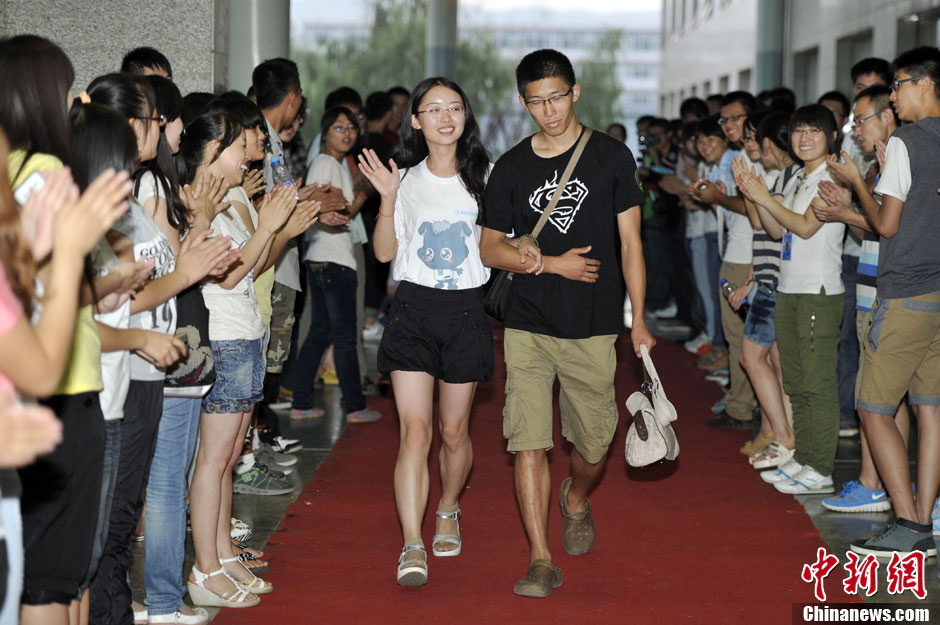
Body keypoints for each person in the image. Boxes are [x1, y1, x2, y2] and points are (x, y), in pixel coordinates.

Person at [479, 48, 653, 598]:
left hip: (595, 325)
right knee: (528, 442)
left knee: (594, 446)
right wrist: (552, 263)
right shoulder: (509, 167)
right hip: (527, 325)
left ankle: (575, 498)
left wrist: (640, 320)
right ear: (523, 102)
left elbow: (631, 243)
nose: (548, 111)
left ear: (575, 92)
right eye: (536, 102)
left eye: (557, 97)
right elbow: (489, 251)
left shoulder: (610, 156)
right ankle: (539, 557)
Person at [358, 77, 493, 586]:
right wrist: (388, 199)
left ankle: (449, 507)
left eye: (454, 107)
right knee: (416, 431)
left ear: (465, 116)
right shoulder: (403, 178)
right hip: (413, 308)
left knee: (455, 432)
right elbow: (385, 255)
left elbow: (498, 245)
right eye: (432, 109)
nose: (445, 117)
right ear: (415, 120)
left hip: (465, 312)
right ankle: (412, 544)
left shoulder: (486, 176)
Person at [846, 47, 940, 557]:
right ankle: (923, 520)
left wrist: (860, 184)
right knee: (931, 412)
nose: (895, 98)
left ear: (924, 84)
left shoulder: (906, 140)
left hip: (905, 292)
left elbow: (886, 225)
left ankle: (907, 521)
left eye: (900, 84)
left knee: (873, 407)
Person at [735, 103, 846, 495]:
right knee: (797, 382)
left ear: (831, 137)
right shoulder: (799, 175)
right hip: (788, 289)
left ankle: (821, 466)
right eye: (799, 130)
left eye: (814, 131)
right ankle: (803, 458)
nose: (804, 138)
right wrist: (755, 195)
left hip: (818, 291)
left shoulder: (832, 178)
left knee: (817, 383)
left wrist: (765, 198)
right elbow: (776, 231)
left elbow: (802, 228)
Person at [812, 84, 909, 513]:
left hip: (893, 290)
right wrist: (850, 203)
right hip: (871, 286)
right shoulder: (874, 165)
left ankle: (881, 486)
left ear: (888, 116)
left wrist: (849, 204)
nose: (855, 129)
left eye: (861, 119)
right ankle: (880, 483)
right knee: (884, 398)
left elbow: (892, 227)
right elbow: (865, 230)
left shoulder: (902, 159)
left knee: (881, 398)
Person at [290, 107, 380, 423]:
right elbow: (335, 211)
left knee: (320, 332)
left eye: (351, 128)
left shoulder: (334, 164)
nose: (346, 133)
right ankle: (354, 406)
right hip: (334, 259)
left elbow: (335, 208)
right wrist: (363, 192)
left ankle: (300, 401)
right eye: (338, 127)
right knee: (344, 335)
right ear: (325, 133)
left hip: (320, 257)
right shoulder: (326, 163)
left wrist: (353, 194)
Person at [729, 112, 796, 468]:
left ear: (770, 143)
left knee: (753, 357)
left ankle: (782, 435)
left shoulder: (786, 176)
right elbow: (765, 227)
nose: (752, 145)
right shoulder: (780, 176)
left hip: (777, 282)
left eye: (755, 139)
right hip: (769, 278)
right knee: (772, 361)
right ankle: (777, 434)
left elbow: (771, 229)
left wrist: (751, 190)